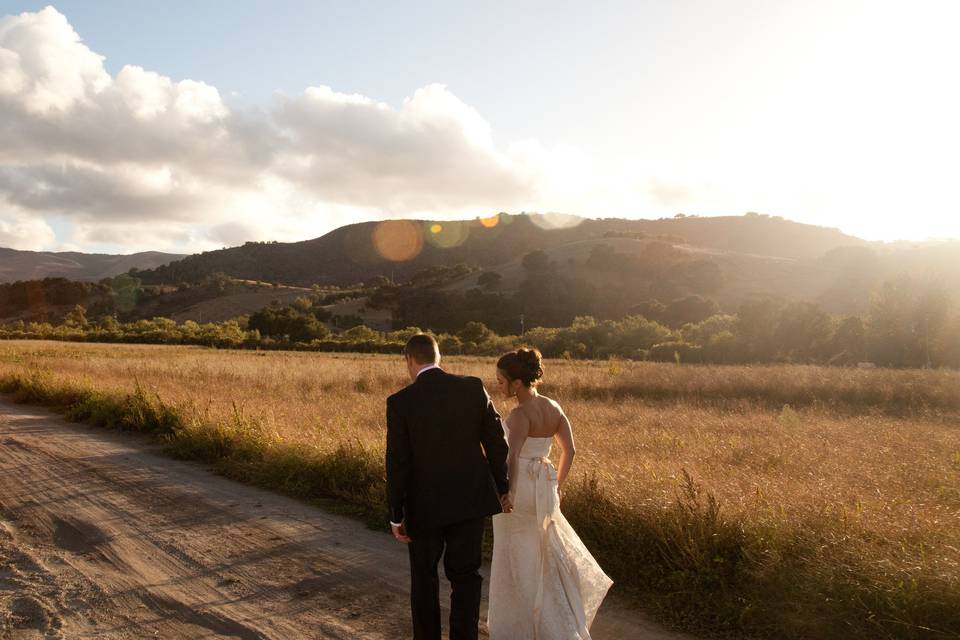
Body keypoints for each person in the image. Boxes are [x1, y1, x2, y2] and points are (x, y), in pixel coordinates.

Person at [385, 333, 510, 640]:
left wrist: (395, 512)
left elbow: (398, 462)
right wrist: (501, 485)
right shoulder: (473, 388)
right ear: (437, 356)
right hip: (470, 501)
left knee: (424, 578)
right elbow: (497, 444)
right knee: (466, 576)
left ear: (410, 360)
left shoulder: (401, 402)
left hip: (424, 505)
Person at [487, 348, 613, 639]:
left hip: (523, 492)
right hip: (545, 485)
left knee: (515, 557)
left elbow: (513, 457)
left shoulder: (520, 414)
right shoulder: (554, 407)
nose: (499, 386)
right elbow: (571, 450)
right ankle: (555, 619)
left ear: (517, 383)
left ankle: (520, 627)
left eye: (502, 381)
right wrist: (557, 484)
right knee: (543, 553)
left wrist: (509, 493)